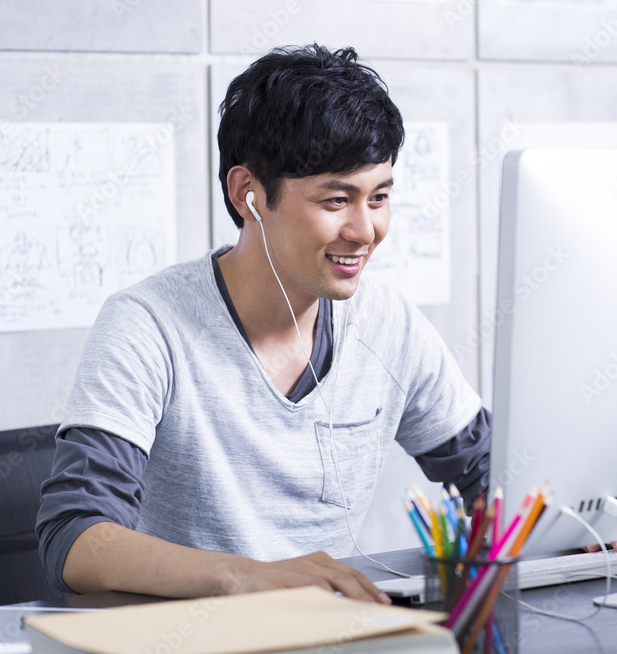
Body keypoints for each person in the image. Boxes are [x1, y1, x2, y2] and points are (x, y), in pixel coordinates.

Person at [36, 44, 490, 605]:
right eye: (335, 200)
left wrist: (590, 527)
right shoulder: (148, 325)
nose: (365, 229)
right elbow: (75, 541)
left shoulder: (388, 322)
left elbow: (492, 473)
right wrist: (247, 576)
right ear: (247, 193)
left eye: (379, 198)